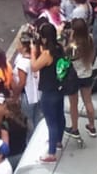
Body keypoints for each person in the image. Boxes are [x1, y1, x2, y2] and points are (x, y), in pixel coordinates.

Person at [30, 21, 64, 165]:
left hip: (48, 92)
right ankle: (58, 141)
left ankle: (51, 153)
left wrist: (33, 53)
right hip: (59, 88)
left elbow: (34, 67)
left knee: (51, 122)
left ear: (44, 38)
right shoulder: (59, 48)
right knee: (60, 116)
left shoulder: (46, 54)